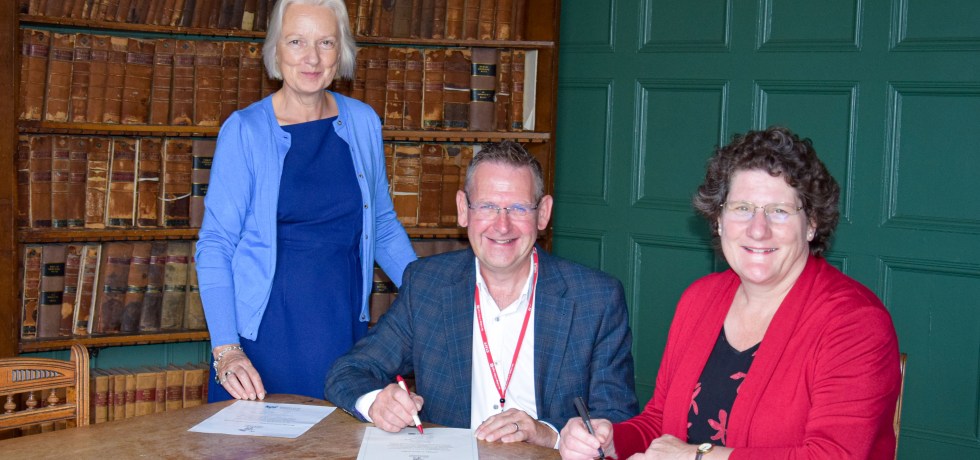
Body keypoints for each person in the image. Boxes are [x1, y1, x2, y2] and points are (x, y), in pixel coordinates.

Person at [559, 127, 901, 459]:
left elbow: (834, 455)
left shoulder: (855, 322)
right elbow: (661, 423)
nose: (758, 229)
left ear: (811, 223)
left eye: (779, 211)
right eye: (741, 208)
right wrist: (611, 440)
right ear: (719, 219)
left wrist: (699, 456)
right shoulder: (699, 299)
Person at [325, 140, 638, 448]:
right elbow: (349, 371)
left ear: (543, 214)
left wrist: (548, 434)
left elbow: (618, 420)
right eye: (487, 206)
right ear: (464, 210)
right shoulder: (427, 286)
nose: (502, 226)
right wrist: (376, 401)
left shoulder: (596, 299)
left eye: (517, 208)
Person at [196, 0, 416, 402]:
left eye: (326, 42)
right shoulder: (245, 130)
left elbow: (382, 225)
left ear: (342, 51)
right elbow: (215, 245)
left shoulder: (363, 121)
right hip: (262, 339)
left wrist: (431, 295)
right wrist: (227, 349)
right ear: (276, 50)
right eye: (297, 41)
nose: (311, 57)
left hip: (342, 327)